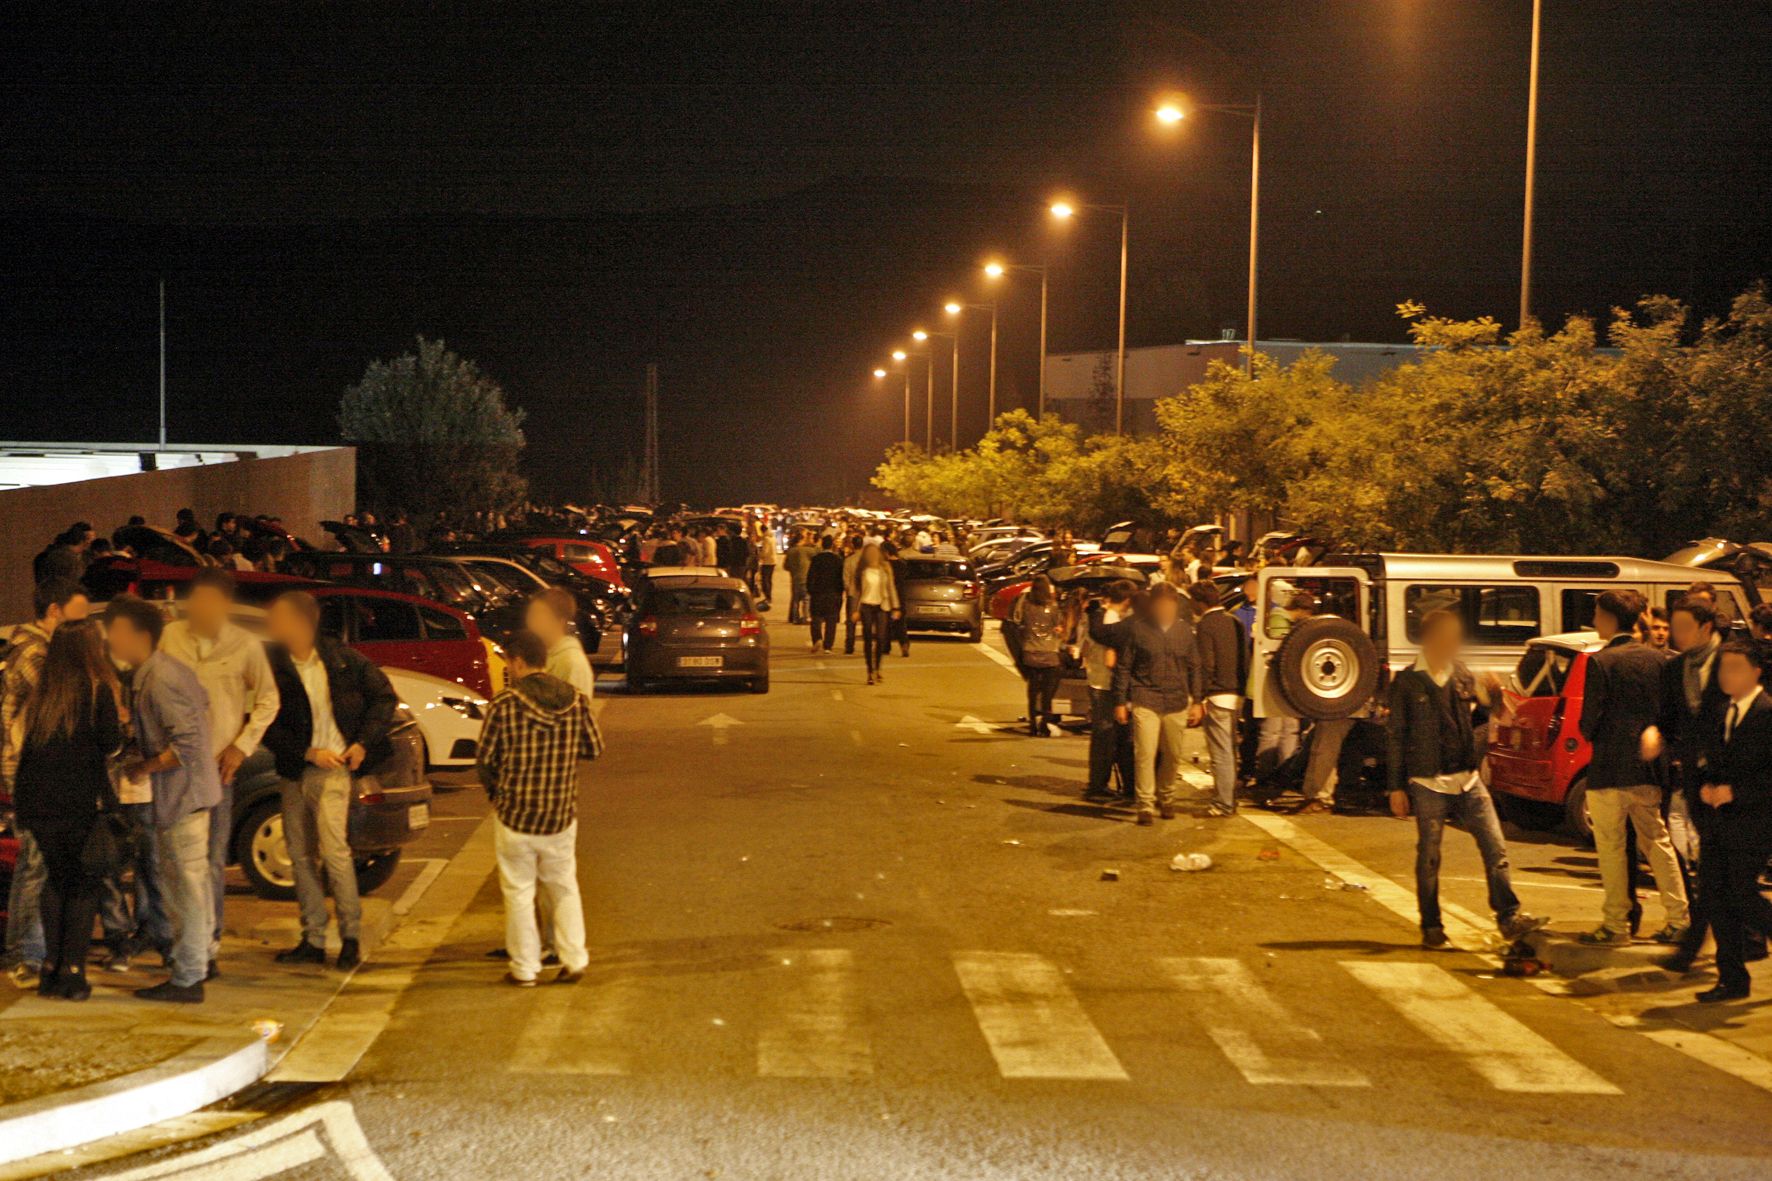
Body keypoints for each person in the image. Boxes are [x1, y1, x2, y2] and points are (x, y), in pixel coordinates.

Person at [1385, 609, 1545, 950]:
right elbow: (1396, 735)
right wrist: (1396, 786)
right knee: (1429, 856)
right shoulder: (1407, 681)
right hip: (1428, 781)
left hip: (1468, 778)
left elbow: (1486, 717)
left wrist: (1494, 696)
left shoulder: (1460, 672)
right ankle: (1431, 925)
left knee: (1496, 847)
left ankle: (1508, 916)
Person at [261, 592, 398, 971]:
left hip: (335, 770)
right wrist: (305, 752)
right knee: (300, 855)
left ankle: (350, 937)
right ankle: (314, 938)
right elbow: (264, 721)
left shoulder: (342, 659)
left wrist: (362, 744)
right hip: (296, 769)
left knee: (335, 853)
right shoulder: (272, 665)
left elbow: (384, 697)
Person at [160, 568, 280, 976]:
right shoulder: (171, 637)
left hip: (218, 768)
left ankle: (208, 945)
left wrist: (240, 747)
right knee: (173, 860)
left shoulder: (243, 644)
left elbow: (268, 700)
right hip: (173, 767)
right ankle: (181, 941)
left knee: (211, 858)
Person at [107, 596, 219, 1003]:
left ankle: (188, 977)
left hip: (182, 797)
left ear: (139, 635)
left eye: (115, 632)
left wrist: (145, 766)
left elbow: (187, 743)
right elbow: (202, 705)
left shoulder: (160, 678)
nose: (111, 641)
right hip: (190, 795)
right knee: (194, 884)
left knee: (184, 887)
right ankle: (199, 960)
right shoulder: (164, 672)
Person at [478, 631, 603, 986]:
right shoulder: (575, 702)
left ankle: (525, 969)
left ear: (519, 661)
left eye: (509, 663)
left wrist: (498, 794)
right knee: (563, 886)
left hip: (515, 815)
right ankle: (574, 960)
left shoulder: (504, 705)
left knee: (518, 892)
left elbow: (485, 759)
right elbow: (594, 748)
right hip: (560, 814)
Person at [1642, 599, 1756, 972]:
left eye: (1684, 627)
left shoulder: (1737, 661)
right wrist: (1657, 734)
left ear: (1706, 628)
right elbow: (1670, 718)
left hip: (1737, 783)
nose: (1676, 634)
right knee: (1716, 873)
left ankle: (1704, 952)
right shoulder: (1674, 669)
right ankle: (1737, 947)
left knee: (1723, 877)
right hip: (1697, 780)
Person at [12, 621, 124, 1001]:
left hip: (40, 803)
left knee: (55, 881)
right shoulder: (97, 689)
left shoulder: (45, 693)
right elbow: (110, 745)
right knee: (83, 885)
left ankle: (49, 968)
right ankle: (74, 972)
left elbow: (28, 749)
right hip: (79, 802)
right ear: (91, 649)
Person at [1577, 589, 1690, 945]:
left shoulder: (1600, 662)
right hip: (1647, 771)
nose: (1595, 621)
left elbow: (1587, 723)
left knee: (1611, 848)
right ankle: (1678, 919)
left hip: (1608, 770)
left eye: (1597, 614)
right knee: (1657, 843)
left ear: (1610, 619)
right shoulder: (1660, 661)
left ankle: (1616, 924)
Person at [1, 579, 90, 987]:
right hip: (29, 775)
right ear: (55, 610)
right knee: (36, 865)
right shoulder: (38, 655)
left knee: (34, 864)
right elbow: (51, 719)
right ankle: (26, 954)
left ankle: (26, 951)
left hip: (26, 773)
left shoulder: (28, 648)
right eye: (78, 615)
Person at [1689, 639, 1772, 1002]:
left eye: (1736, 668)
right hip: (1719, 822)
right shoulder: (1723, 710)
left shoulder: (1767, 713)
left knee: (1740, 893)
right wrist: (1707, 788)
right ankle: (1732, 979)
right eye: (1723, 668)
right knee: (1715, 897)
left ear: (1756, 672)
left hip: (1754, 821)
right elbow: (1713, 760)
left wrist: (1735, 791)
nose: (1727, 675)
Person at [1108, 583, 1203, 826]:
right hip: (1145, 698)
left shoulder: (1184, 632)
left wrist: (1198, 701)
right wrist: (1120, 701)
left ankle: (1166, 796)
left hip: (1176, 701)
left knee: (1172, 754)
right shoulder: (1139, 631)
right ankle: (1145, 804)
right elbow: (1124, 667)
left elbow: (1195, 667)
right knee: (1145, 754)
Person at [1190, 581, 1248, 817]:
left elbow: (1206, 664)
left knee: (1220, 752)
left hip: (1217, 694)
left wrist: (1199, 697)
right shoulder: (1234, 621)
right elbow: (1246, 657)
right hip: (1236, 693)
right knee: (1231, 751)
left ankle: (1223, 803)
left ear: (1199, 602)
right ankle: (1230, 799)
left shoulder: (1206, 625)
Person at [1291, 593, 1353, 815]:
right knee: (1321, 746)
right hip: (1340, 699)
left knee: (1324, 748)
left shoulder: (1337, 633)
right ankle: (1316, 794)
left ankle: (1320, 797)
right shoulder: (1345, 631)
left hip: (1344, 702)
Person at [1080, 582, 1137, 802]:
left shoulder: (1099, 616)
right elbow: (1107, 637)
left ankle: (1110, 783)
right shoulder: (1107, 619)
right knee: (1107, 736)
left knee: (1115, 737)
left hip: (1104, 682)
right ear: (1127, 601)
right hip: (1106, 684)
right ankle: (1099, 784)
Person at [1253, 589, 1306, 784]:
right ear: (1301, 610)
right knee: (1273, 730)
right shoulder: (1277, 622)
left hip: (1287, 686)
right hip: (1275, 685)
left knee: (1289, 729)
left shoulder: (1286, 623)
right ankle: (1265, 774)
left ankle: (1285, 773)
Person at [1013, 575, 1067, 735]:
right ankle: (1045, 721)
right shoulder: (1053, 606)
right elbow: (1059, 627)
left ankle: (1032, 724)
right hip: (1049, 653)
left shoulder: (1026, 605)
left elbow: (1017, 620)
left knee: (1033, 689)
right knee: (1048, 693)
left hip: (1030, 652)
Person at [525, 588, 595, 700]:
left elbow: (574, 712)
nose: (531, 622)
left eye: (538, 617)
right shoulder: (544, 653)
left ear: (560, 621)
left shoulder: (571, 662)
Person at [847, 543, 901, 686]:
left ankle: (878, 668)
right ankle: (869, 671)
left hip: (882, 606)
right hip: (866, 606)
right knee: (868, 638)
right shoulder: (861, 571)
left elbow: (891, 588)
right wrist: (855, 611)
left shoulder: (885, 569)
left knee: (881, 638)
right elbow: (855, 592)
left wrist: (896, 607)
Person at [806, 537, 846, 653]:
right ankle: (828, 645)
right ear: (832, 546)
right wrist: (840, 592)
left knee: (816, 618)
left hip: (818, 593)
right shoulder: (838, 559)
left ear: (822, 545)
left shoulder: (816, 559)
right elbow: (841, 578)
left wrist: (811, 590)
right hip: (833, 593)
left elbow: (810, 577)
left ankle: (817, 639)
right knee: (831, 619)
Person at [782, 531, 817, 625]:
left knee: (795, 599)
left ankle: (795, 618)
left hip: (795, 578)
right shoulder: (809, 550)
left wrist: (793, 569)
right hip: (806, 577)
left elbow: (785, 566)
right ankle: (806, 617)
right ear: (802, 539)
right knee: (806, 598)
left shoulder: (791, 551)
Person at [841, 536, 864, 655]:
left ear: (853, 545)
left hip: (853, 593)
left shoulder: (849, 560)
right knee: (868, 620)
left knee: (851, 621)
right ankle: (868, 645)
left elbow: (845, 579)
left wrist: (848, 589)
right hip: (868, 594)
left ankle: (849, 645)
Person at [755, 525, 778, 611]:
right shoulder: (772, 537)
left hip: (767, 561)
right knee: (769, 579)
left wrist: (759, 555)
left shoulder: (766, 539)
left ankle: (768, 597)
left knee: (765, 580)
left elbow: (765, 552)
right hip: (773, 561)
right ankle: (769, 596)